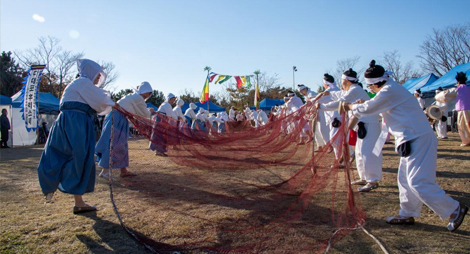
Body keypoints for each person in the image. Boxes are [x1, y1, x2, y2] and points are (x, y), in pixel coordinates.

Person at [343, 60, 467, 231]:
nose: (370, 90)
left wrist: (350, 106)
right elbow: (374, 105)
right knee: (404, 181)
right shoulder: (389, 90)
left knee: (418, 182)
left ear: (375, 83)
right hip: (410, 140)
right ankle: (407, 213)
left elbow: (369, 108)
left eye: (370, 86)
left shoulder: (389, 91)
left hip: (419, 139)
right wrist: (358, 105)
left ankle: (454, 209)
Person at [37, 59, 115, 214]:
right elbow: (101, 101)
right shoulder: (83, 83)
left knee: (69, 155)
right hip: (76, 123)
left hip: (70, 121)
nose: (99, 79)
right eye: (97, 75)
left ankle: (76, 201)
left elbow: (100, 104)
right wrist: (112, 103)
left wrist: (110, 103)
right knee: (78, 157)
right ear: (91, 72)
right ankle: (52, 187)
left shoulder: (82, 85)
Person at [317, 68, 383, 192]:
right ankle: (364, 177)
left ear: (346, 81)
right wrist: (329, 94)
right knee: (359, 153)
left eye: (342, 80)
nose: (341, 82)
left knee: (368, 153)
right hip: (361, 124)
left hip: (369, 124)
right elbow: (341, 95)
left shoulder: (355, 90)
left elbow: (340, 102)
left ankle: (372, 180)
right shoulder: (352, 90)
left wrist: (321, 106)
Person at [95, 82, 155, 179]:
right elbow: (144, 113)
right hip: (117, 119)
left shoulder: (133, 96)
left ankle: (123, 170)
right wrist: (150, 111)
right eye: (148, 93)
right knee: (113, 144)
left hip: (117, 118)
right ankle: (105, 171)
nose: (148, 96)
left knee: (121, 145)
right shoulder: (138, 98)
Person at [453, 72, 470, 146]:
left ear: (458, 82)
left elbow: (445, 95)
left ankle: (466, 141)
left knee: (462, 126)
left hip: (462, 110)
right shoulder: (468, 88)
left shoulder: (458, 89)